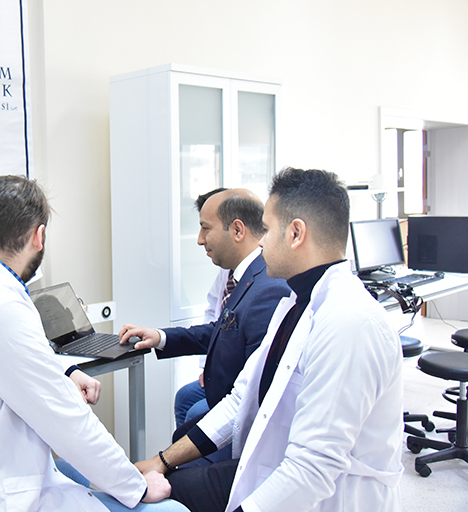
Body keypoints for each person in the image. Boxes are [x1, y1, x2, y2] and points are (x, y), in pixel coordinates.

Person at [0, 175, 188, 512]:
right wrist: (137, 486)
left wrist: (68, 371)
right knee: (171, 510)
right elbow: (67, 422)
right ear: (39, 236)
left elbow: (14, 355)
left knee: (75, 473)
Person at [136, 168, 405, 512]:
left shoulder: (349, 323)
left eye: (267, 229)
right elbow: (239, 401)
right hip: (270, 466)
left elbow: (312, 470)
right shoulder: (295, 304)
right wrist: (162, 461)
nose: (260, 241)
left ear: (295, 234)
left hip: (329, 498)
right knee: (164, 488)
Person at [119, 188, 290, 443]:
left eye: (205, 228)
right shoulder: (247, 275)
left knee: (184, 436)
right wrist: (161, 337)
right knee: (185, 407)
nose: (200, 240)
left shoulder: (267, 288)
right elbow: (221, 329)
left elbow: (251, 395)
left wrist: (168, 458)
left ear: (237, 230)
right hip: (227, 391)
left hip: (243, 416)